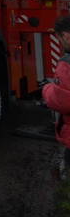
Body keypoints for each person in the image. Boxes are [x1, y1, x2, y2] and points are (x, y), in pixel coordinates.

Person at [42, 16, 70, 176]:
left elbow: (62, 101)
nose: (59, 43)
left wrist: (47, 89)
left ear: (65, 36)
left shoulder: (66, 64)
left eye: (59, 38)